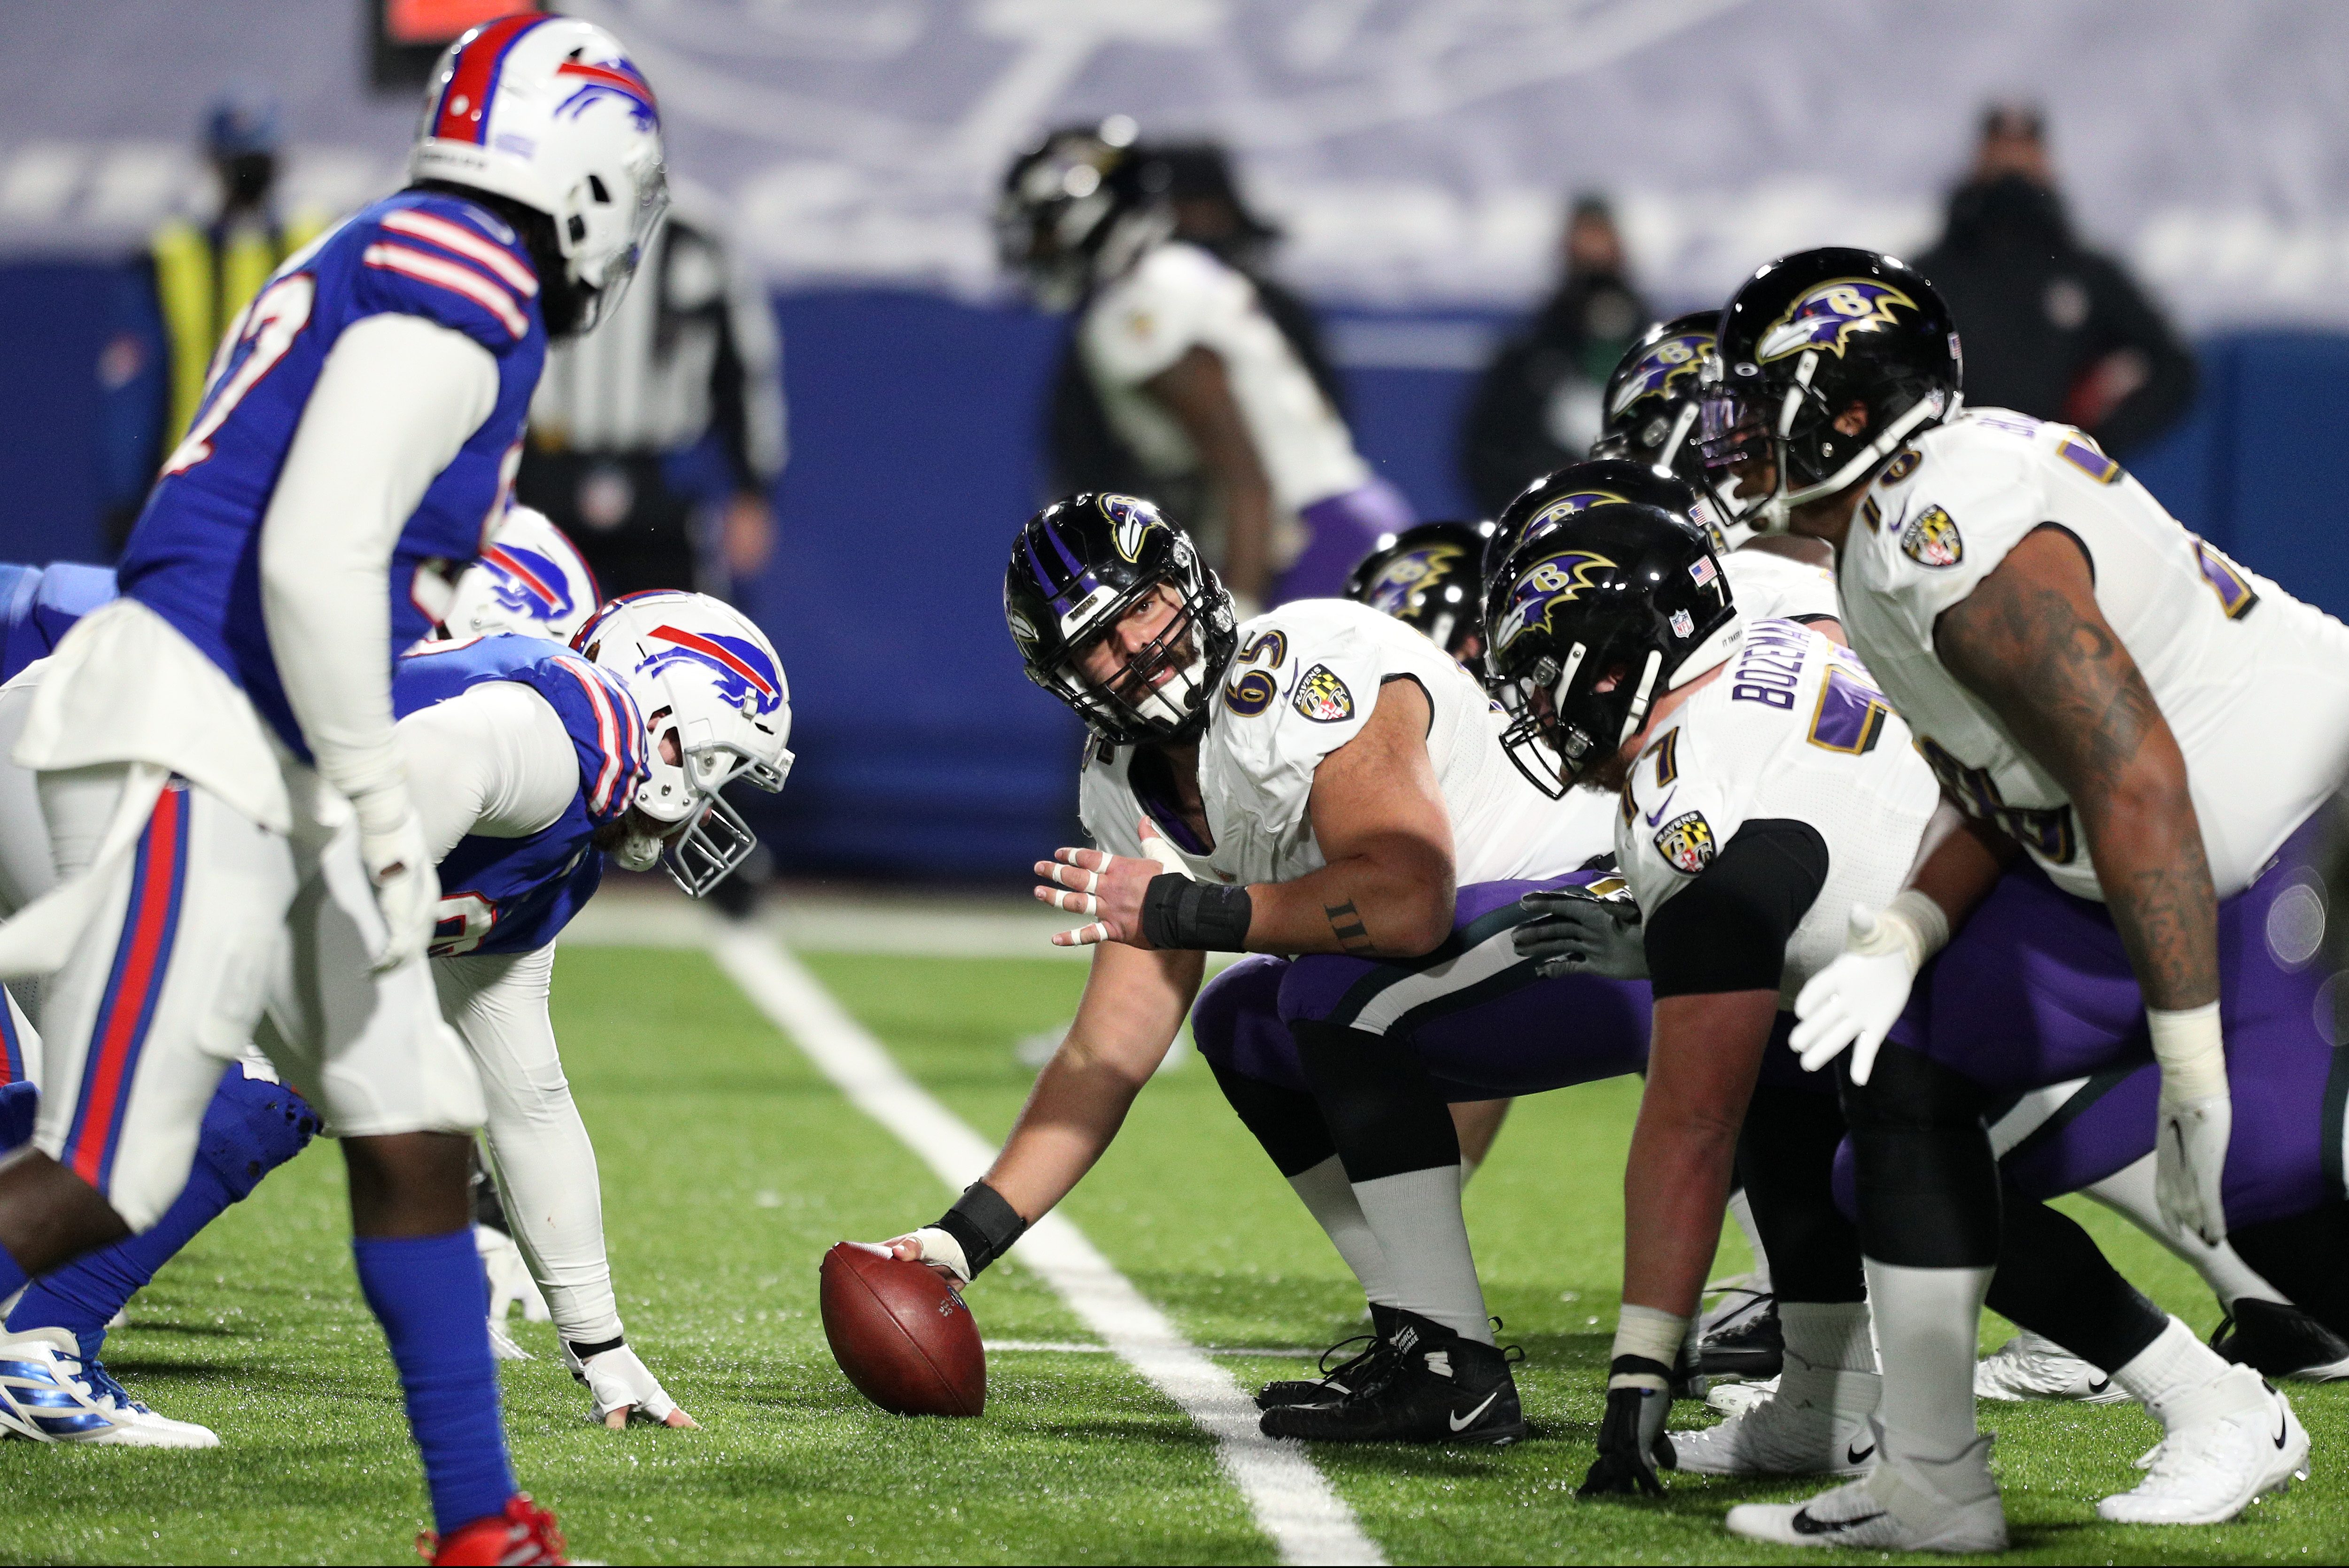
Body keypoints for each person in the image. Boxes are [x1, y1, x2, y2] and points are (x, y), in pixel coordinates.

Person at [0, 16, 662, 1560]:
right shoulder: (468, 287)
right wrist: (373, 802)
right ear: (582, 171)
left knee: (414, 1111)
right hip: (199, 729)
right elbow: (308, 559)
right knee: (115, 1153)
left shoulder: (392, 244)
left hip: (245, 734)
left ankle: (481, 1521)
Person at [1487, 504, 2311, 1539]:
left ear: (1611, 665)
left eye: (1535, 669)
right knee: (1803, 1070)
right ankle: (1826, 1401)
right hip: (2039, 938)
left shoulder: (1696, 804)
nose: (1526, 704)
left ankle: (2220, 1404)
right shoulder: (1774, 641)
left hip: (2109, 979)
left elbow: (1686, 1122)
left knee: (1897, 1162)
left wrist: (1637, 1375)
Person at [1698, 245, 2339, 1548]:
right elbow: (2007, 780)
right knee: (1900, 1092)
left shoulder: (1952, 534)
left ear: (1846, 403)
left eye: (1757, 402)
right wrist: (1909, 931)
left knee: (2280, 1192)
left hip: (2294, 827)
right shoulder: (1887, 531)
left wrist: (2188, 1066)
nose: (1734, 436)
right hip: (2148, 861)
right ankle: (1936, 1483)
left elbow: (2136, 778)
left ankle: (2252, 1374)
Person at [878, 489, 1624, 1445]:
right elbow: (1110, 1045)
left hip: (1619, 921)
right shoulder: (1119, 779)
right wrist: (960, 1239)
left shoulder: (1308, 661)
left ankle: (1448, 1356)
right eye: (1096, 643)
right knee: (1241, 1022)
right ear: (1061, 678)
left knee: (1323, 990)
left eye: (1140, 606)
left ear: (1184, 582)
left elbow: (1404, 901)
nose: (1135, 648)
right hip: (1500, 965)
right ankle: (1424, 1334)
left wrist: (1193, 908)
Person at [999, 125, 1410, 611]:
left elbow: (1244, 475)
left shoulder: (1133, 310)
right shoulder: (1177, 273)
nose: (1035, 250)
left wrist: (1241, 605)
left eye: (1045, 230)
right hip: (1346, 522)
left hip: (1307, 545)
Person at [1046, 141, 1348, 509]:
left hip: (1278, 526)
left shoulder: (1267, 310)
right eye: (1179, 212)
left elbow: (1249, 481)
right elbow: (1081, 450)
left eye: (1205, 209)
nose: (1193, 228)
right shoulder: (1115, 321)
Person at [516, 189, 784, 603]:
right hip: (541, 481)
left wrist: (751, 487)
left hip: (657, 484)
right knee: (518, 645)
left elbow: (741, 367)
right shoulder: (528, 228)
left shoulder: (695, 237)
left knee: (680, 649)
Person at [96, 88, 330, 556]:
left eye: (256, 161)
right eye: (240, 162)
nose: (249, 176)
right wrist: (126, 498)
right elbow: (135, 392)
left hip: (300, 488)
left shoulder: (319, 245)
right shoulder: (171, 257)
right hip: (196, 491)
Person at [1913, 104, 2194, 458]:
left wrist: (2094, 443)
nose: (2011, 162)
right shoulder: (1931, 276)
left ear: (2044, 159)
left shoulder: (2087, 276)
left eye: (2024, 148)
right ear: (1979, 157)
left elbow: (2172, 369)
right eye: (2000, 148)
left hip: (2051, 482)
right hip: (1948, 470)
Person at [1458, 195, 1650, 518]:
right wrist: (1530, 509)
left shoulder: (1655, 351)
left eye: (1600, 237)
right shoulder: (1529, 357)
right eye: (1582, 239)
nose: (1592, 250)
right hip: (1552, 524)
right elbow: (1485, 452)